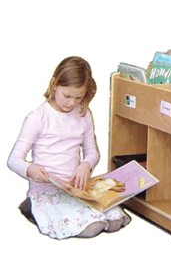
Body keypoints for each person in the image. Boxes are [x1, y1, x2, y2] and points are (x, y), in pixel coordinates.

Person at [7, 56, 131, 239]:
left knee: (116, 221)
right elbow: (13, 160)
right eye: (67, 95)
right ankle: (34, 208)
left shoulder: (83, 114)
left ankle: (81, 213)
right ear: (54, 84)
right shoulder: (37, 118)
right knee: (94, 227)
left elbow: (92, 153)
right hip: (48, 190)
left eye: (78, 97)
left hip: (77, 189)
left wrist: (85, 165)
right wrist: (30, 169)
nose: (72, 103)